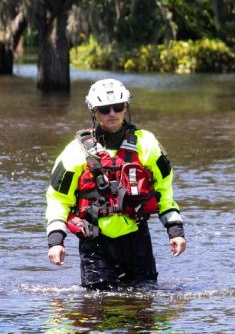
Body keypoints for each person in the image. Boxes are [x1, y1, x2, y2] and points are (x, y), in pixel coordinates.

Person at [45, 78, 186, 289]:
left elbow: (164, 190)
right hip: (95, 243)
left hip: (137, 239)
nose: (112, 113)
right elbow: (57, 199)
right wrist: (56, 242)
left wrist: (175, 231)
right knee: (95, 311)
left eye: (117, 107)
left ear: (126, 107)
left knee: (145, 310)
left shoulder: (147, 144)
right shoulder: (75, 152)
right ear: (94, 111)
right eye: (104, 109)